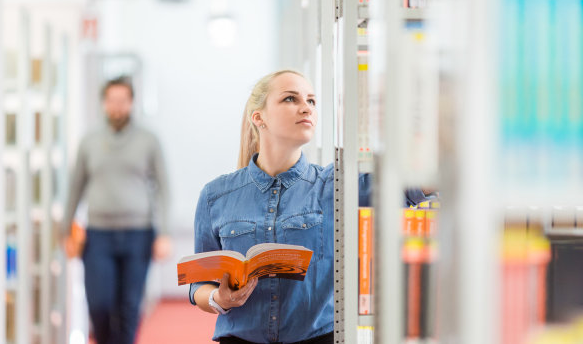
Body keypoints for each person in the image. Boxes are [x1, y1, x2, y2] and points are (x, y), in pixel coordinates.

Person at [189, 70, 431, 343]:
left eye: (312, 101)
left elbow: (416, 186)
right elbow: (200, 286)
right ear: (259, 118)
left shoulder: (337, 185)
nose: (306, 107)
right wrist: (219, 298)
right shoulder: (215, 195)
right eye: (290, 99)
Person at [61, 77, 172, 344]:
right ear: (104, 103)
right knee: (100, 304)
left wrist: (164, 233)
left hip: (139, 234)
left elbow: (164, 189)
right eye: (112, 100)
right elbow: (75, 188)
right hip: (98, 235)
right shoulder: (89, 141)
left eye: (123, 101)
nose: (117, 107)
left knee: (129, 306)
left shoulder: (148, 140)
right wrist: (65, 230)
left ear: (131, 102)